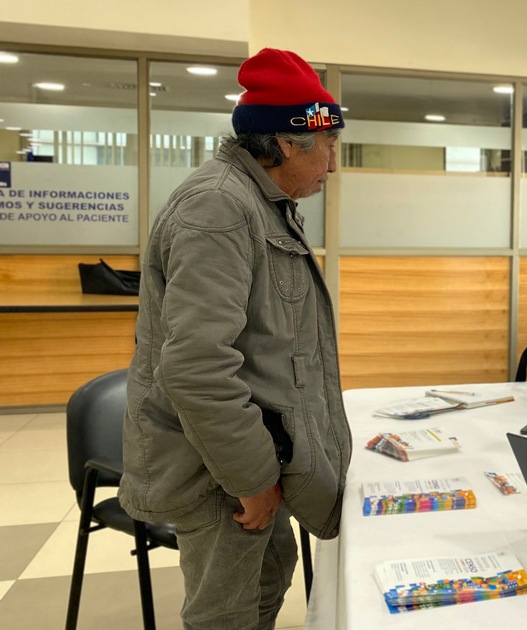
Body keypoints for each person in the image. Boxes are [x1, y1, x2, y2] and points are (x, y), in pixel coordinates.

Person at [118, 48, 351, 628]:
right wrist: (251, 481)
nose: (333, 162)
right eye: (327, 145)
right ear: (288, 142)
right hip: (218, 471)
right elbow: (197, 368)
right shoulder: (220, 208)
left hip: (253, 451)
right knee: (228, 614)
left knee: (270, 579)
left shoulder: (261, 200)